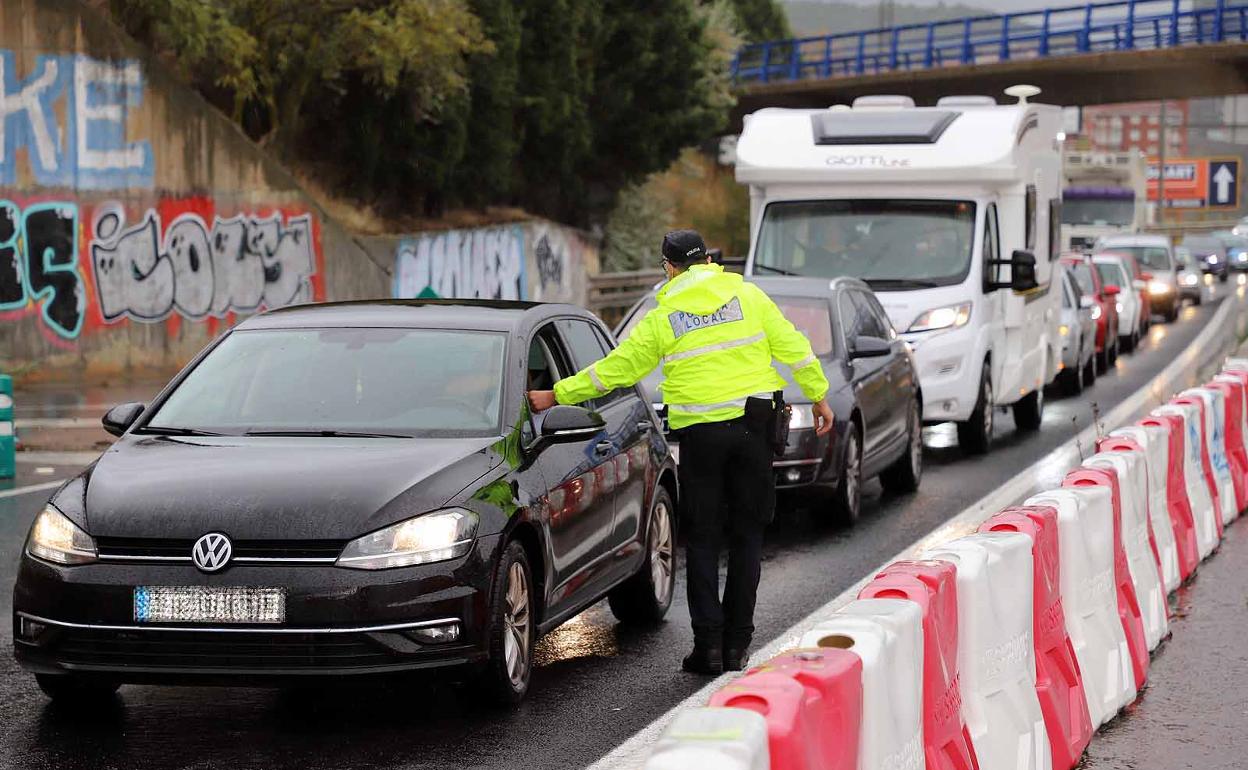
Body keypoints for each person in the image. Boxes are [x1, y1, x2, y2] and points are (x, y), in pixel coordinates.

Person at [527, 229, 833, 675]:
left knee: (705, 539)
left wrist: (557, 395)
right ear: (708, 259)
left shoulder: (664, 314)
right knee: (748, 537)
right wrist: (819, 395)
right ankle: (737, 646)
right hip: (753, 428)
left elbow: (618, 369)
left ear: (669, 267)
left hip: (702, 438)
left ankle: (708, 648)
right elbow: (794, 347)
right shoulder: (748, 295)